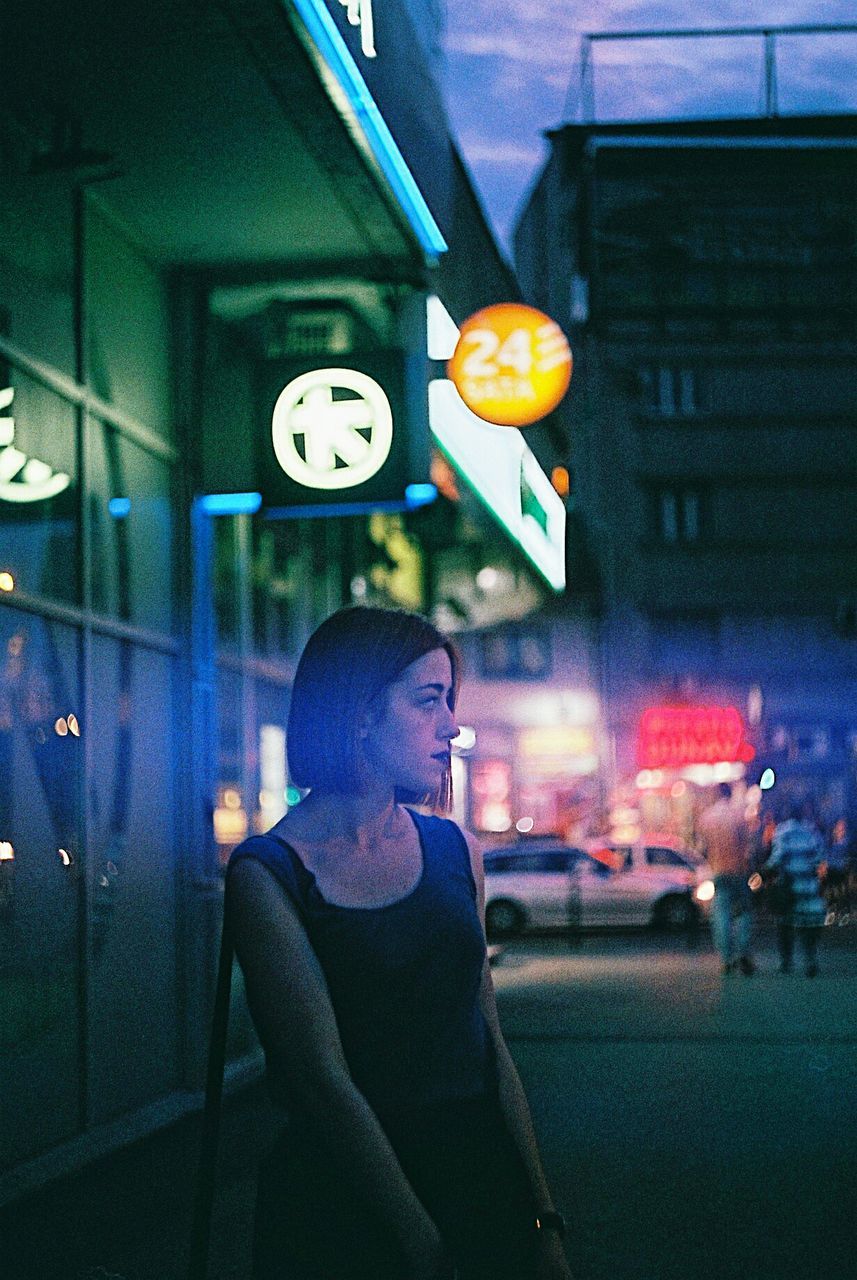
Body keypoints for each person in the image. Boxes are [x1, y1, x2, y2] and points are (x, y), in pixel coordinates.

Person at [225, 606, 574, 1280]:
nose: (451, 724)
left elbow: (488, 1045)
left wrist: (543, 1220)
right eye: (428, 700)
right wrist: (420, 1241)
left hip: (479, 1179)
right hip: (342, 1208)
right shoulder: (270, 874)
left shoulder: (453, 850)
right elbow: (322, 1080)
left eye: (450, 700)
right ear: (358, 711)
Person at [697, 783, 755, 976]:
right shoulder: (739, 815)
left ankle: (726, 957)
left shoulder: (707, 818)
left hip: (718, 871)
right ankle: (743, 952)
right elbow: (748, 846)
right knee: (744, 912)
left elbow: (702, 848)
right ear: (730, 793)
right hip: (738, 871)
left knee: (720, 916)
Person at [764, 802, 827, 976]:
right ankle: (810, 960)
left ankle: (786, 961)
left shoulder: (783, 831)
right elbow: (819, 857)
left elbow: (777, 858)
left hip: (789, 887)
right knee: (809, 926)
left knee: (785, 925)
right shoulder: (812, 831)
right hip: (809, 886)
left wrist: (765, 870)